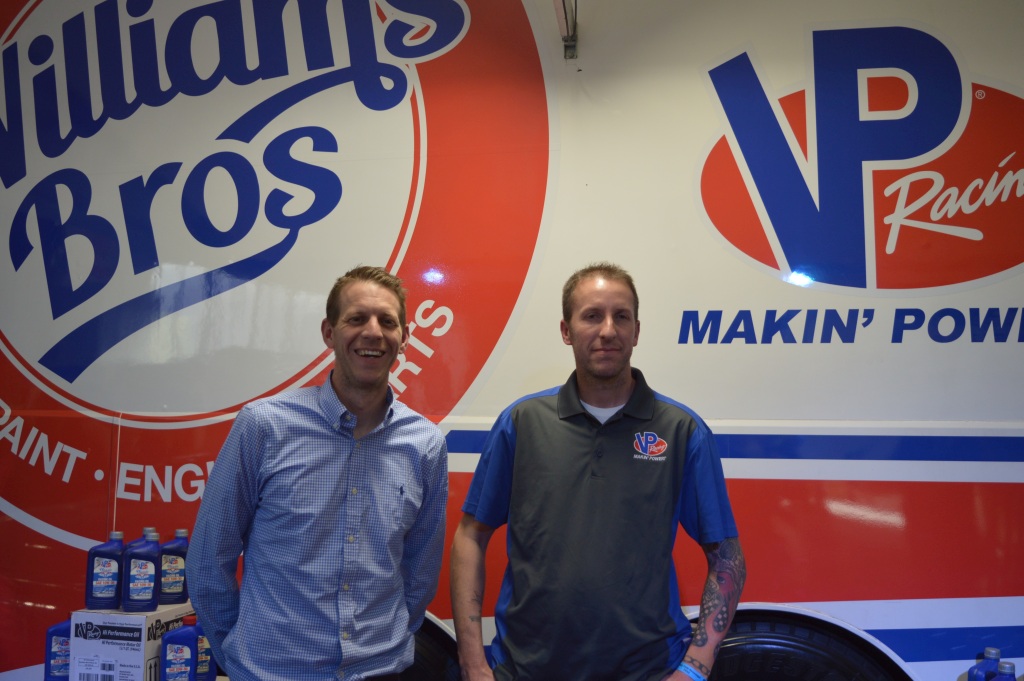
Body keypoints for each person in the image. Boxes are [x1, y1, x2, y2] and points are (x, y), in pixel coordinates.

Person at [450, 262, 745, 681]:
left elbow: (726, 556)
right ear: (566, 331)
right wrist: (472, 662)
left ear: (636, 331)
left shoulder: (682, 430)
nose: (608, 330)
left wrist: (696, 667)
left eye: (621, 316)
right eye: (592, 315)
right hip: (526, 669)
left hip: (648, 670)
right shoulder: (521, 422)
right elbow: (470, 536)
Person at [188, 266, 449, 681]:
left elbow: (420, 573)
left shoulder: (425, 444)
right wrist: (237, 658)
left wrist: (388, 641)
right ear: (329, 332)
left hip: (379, 671)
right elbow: (208, 560)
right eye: (356, 318)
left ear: (404, 338)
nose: (373, 332)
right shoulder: (264, 426)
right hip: (273, 673)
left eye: (387, 321)